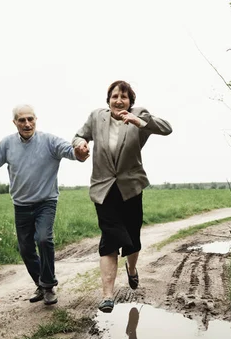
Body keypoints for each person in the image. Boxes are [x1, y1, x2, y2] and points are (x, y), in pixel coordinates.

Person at [0, 104, 88, 306]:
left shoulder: (49, 141)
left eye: (30, 119)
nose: (27, 123)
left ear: (36, 120)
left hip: (45, 202)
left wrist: (80, 153)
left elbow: (70, 151)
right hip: (21, 205)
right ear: (15, 122)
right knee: (26, 250)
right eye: (22, 120)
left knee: (43, 238)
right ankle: (40, 284)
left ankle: (48, 286)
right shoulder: (6, 145)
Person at [72, 80, 172, 313]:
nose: (119, 100)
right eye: (115, 96)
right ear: (108, 100)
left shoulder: (139, 114)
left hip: (131, 186)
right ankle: (107, 296)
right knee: (109, 238)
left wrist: (141, 122)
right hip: (104, 187)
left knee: (133, 237)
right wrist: (81, 145)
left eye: (124, 97)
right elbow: (78, 136)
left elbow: (167, 128)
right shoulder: (97, 117)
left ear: (131, 101)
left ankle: (132, 269)